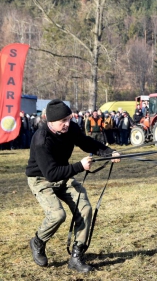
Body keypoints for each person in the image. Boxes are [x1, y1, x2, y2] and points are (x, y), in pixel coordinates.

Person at [26, 99, 120, 273]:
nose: (68, 124)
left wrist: (109, 152)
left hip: (63, 174)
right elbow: (51, 174)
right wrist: (79, 166)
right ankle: (38, 241)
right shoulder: (41, 140)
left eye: (69, 119)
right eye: (64, 121)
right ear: (51, 121)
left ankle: (76, 257)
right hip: (41, 179)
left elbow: (86, 143)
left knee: (85, 208)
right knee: (57, 215)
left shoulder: (71, 128)